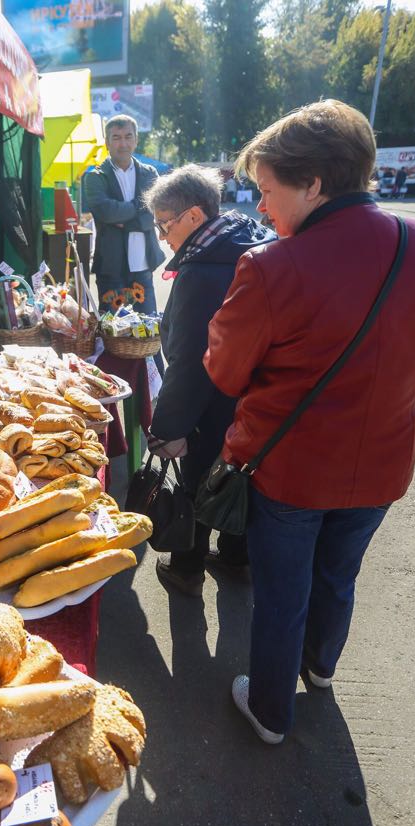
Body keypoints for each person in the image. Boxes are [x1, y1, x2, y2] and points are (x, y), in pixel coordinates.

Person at [204, 100, 415, 744]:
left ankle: (269, 710)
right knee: (339, 575)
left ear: (313, 183)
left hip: (292, 468)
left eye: (267, 191)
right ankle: (320, 669)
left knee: (281, 597)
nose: (260, 207)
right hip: (385, 459)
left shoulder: (270, 266)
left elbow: (225, 373)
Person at [142, 165, 275, 596]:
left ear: (195, 217)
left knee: (199, 478)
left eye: (165, 224)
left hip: (212, 402)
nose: (163, 237)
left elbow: (189, 361)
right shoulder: (253, 239)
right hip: (258, 400)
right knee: (244, 475)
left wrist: (168, 429)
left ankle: (187, 566)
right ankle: (237, 557)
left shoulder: (202, 271)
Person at [83, 115, 165, 313]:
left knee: (149, 333)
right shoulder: (95, 177)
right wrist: (139, 204)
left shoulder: (150, 173)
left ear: (136, 140)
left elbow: (153, 213)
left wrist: (125, 221)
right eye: (116, 137)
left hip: (143, 265)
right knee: (113, 334)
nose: (123, 143)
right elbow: (106, 213)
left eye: (128, 136)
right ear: (107, 142)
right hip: (111, 268)